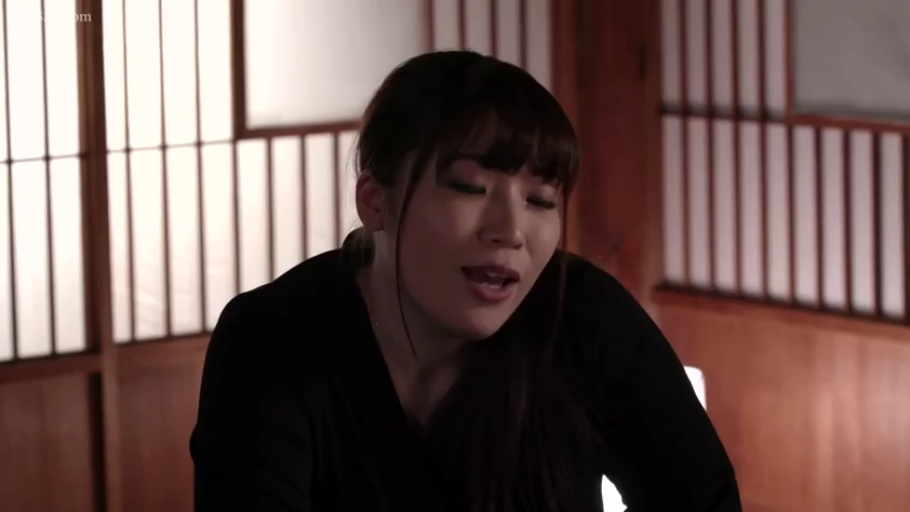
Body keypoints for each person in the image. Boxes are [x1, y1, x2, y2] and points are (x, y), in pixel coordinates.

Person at [190, 50, 741, 511]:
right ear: (375, 201)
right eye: (471, 189)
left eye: (540, 201)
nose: (510, 231)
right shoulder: (273, 339)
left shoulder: (585, 317)